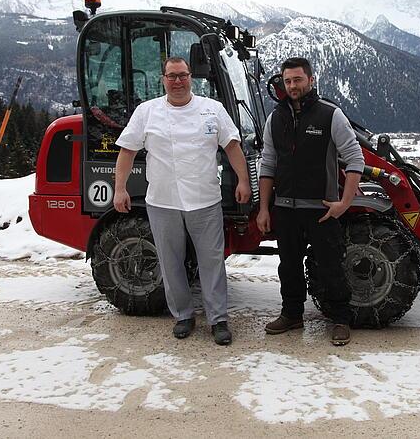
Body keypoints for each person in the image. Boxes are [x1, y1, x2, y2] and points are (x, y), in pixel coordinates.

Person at [113, 57, 251, 346]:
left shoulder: (212, 109)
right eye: (171, 76)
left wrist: (243, 180)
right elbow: (126, 151)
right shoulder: (146, 112)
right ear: (163, 79)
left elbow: (232, 145)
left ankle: (218, 319)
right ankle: (183, 315)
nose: (178, 81)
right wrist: (120, 189)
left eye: (183, 75)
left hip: (204, 199)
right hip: (163, 200)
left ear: (191, 77)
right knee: (170, 260)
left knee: (211, 260)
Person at [256, 57, 365, 346]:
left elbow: (355, 159)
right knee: (287, 266)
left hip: (322, 210)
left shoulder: (330, 114)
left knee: (330, 266)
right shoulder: (274, 118)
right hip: (285, 209)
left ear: (311, 80)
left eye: (298, 80)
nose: (292, 85)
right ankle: (292, 314)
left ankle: (340, 318)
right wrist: (264, 208)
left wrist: (344, 202)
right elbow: (267, 165)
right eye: (288, 81)